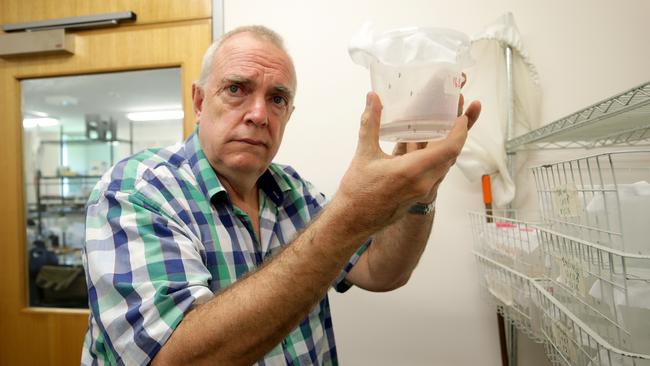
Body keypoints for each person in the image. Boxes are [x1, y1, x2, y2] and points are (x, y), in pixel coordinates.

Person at [81, 25, 481, 365]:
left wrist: (421, 194)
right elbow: (177, 357)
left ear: (289, 114)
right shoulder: (136, 190)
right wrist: (351, 214)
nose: (259, 114)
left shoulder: (295, 192)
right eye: (236, 89)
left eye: (277, 99)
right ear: (200, 102)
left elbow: (383, 271)